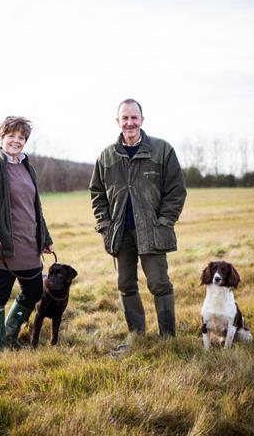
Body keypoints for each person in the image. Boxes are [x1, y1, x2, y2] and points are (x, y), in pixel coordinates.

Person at [89, 99, 186, 344]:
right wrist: (105, 225)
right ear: (118, 121)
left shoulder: (162, 150)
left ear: (142, 119)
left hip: (153, 231)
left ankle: (168, 337)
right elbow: (97, 193)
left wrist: (165, 221)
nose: (130, 122)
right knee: (125, 284)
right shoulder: (107, 156)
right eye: (125, 118)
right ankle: (137, 334)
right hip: (120, 233)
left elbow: (176, 191)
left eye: (134, 117)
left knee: (159, 283)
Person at [0, 116, 54, 352]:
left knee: (35, 291)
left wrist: (45, 238)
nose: (16, 141)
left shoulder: (28, 168)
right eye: (12, 136)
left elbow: (35, 208)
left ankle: (10, 335)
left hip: (29, 243)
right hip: (3, 244)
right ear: (2, 137)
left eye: (21, 137)